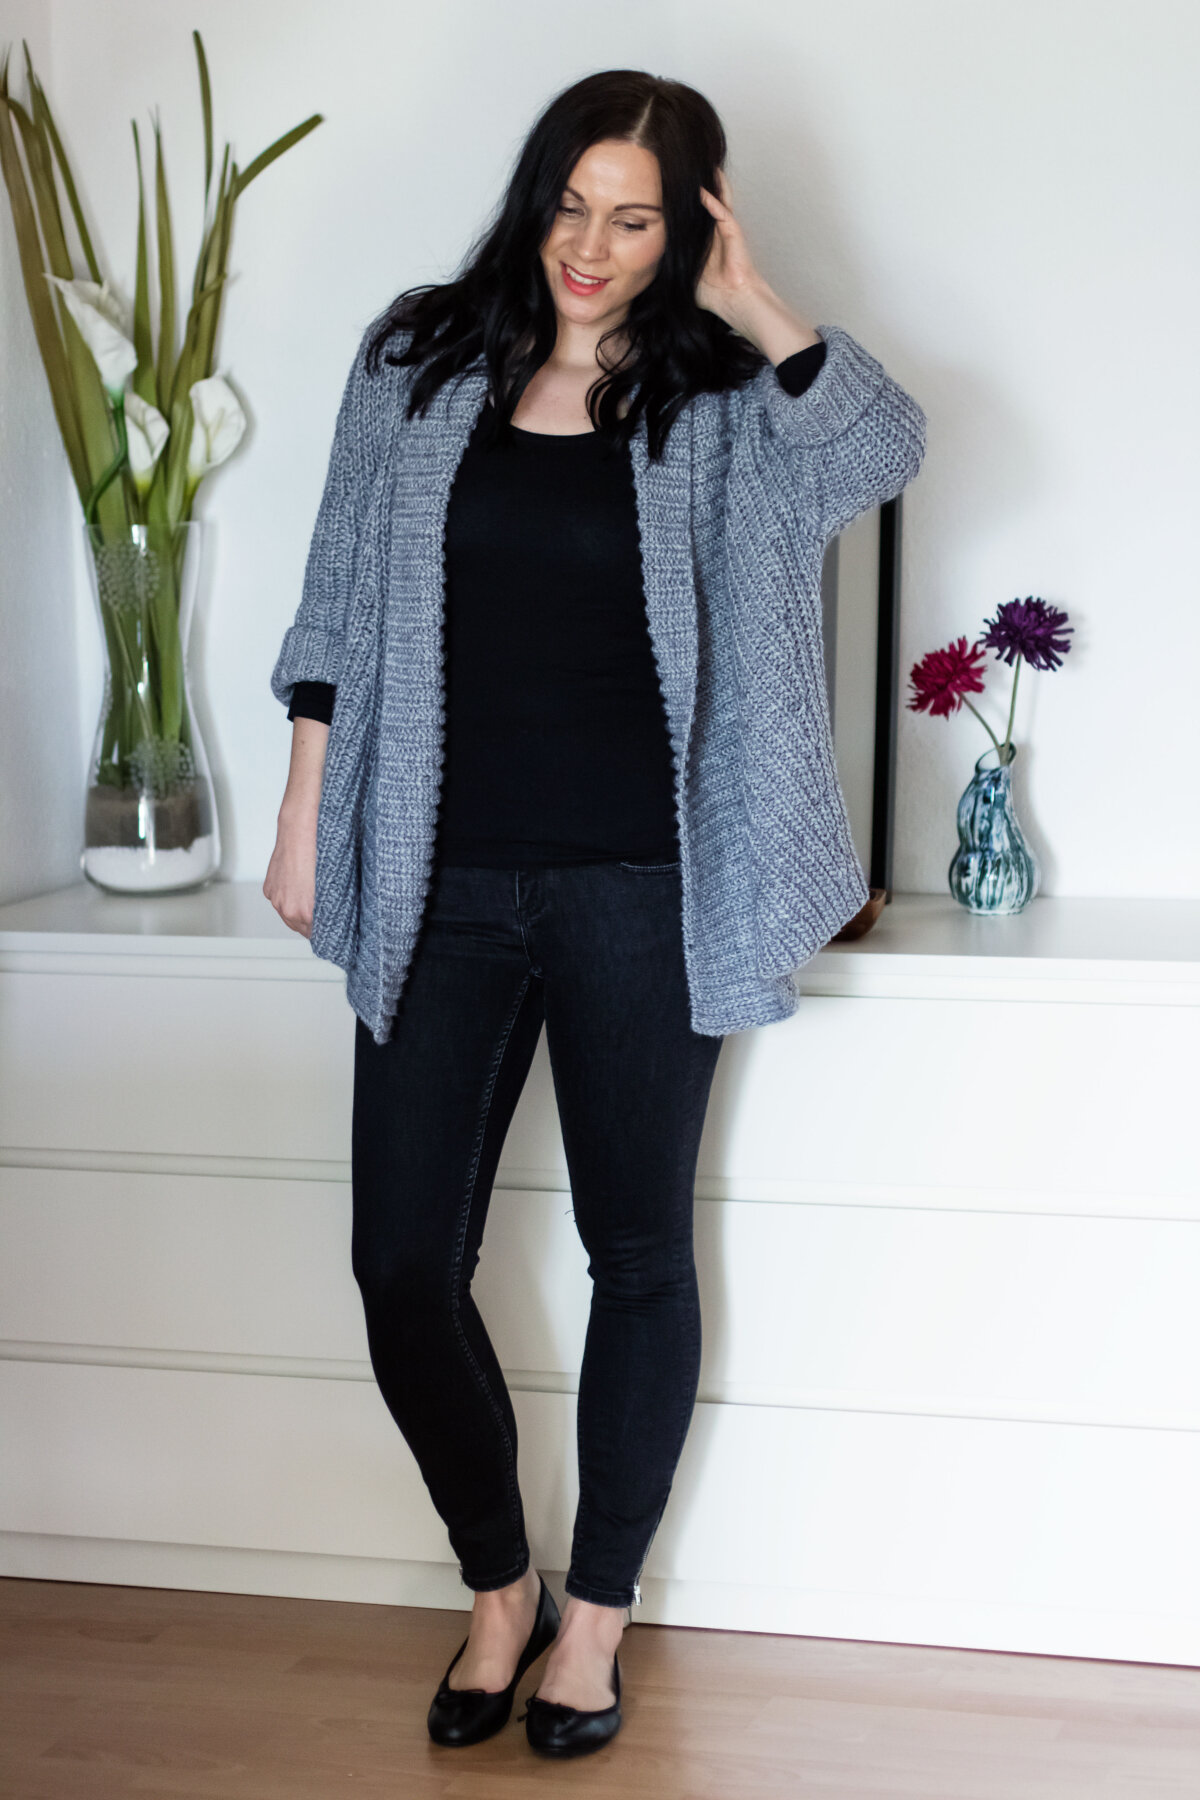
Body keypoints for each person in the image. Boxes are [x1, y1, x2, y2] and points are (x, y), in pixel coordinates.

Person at [264, 68, 926, 1759]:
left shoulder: (725, 401)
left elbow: (885, 447)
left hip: (647, 886)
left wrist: (751, 294)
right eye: (572, 204)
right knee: (402, 1263)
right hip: (440, 875)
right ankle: (500, 1587)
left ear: (685, 227)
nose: (591, 245)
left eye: (636, 220)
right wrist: (305, 811)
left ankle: (595, 1622)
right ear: (534, 193)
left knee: (637, 1254)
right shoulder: (416, 360)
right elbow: (338, 595)